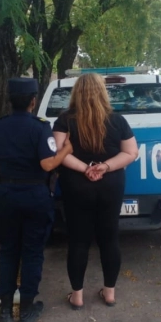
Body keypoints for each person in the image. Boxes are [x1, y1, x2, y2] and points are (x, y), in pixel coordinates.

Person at [0, 77, 73, 322]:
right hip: (35, 196)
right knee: (32, 251)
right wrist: (66, 150)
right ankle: (26, 309)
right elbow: (47, 164)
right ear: (33, 101)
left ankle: (4, 311)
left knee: (8, 250)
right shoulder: (40, 127)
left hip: (7, 195)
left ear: (10, 101)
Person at [52, 73, 139, 308]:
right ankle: (109, 293)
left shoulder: (64, 120)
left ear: (76, 93)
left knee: (78, 240)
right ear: (102, 92)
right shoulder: (117, 121)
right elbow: (131, 153)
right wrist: (104, 167)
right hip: (111, 184)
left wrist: (85, 169)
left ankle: (77, 296)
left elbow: (59, 153)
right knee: (109, 238)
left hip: (76, 185)